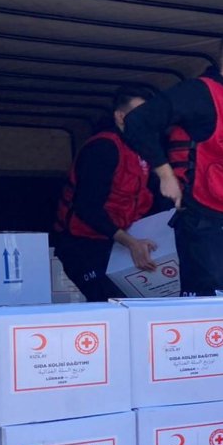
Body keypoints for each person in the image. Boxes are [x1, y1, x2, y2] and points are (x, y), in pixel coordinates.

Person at [123, 28, 223, 296]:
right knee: (211, 322)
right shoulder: (199, 92)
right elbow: (137, 122)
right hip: (209, 227)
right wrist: (165, 174)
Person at [52, 86, 164, 302]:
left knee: (142, 299)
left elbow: (150, 201)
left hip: (118, 242)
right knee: (110, 302)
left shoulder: (144, 151)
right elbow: (87, 208)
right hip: (83, 244)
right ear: (120, 117)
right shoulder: (104, 147)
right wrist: (131, 243)